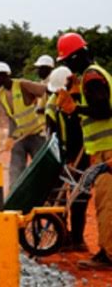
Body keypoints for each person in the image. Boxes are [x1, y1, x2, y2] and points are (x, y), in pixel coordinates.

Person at [55, 32, 112, 269]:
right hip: (102, 150)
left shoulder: (92, 76)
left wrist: (76, 108)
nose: (68, 67)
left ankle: (108, 255)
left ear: (77, 56)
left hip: (108, 150)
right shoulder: (93, 75)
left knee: (106, 204)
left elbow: (104, 111)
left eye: (68, 61)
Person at [45, 66, 91, 252]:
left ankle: (77, 240)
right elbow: (52, 135)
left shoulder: (82, 101)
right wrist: (62, 159)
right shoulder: (53, 105)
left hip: (82, 154)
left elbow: (81, 130)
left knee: (80, 196)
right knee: (58, 195)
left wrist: (75, 158)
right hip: (62, 155)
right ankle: (62, 234)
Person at [0, 62, 47, 187]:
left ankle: (49, 199)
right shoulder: (1, 94)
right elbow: (12, 118)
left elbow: (46, 91)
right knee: (16, 169)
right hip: (19, 138)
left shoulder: (22, 85)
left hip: (36, 135)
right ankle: (14, 195)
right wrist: (10, 137)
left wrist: (47, 109)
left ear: (3, 76)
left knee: (42, 168)